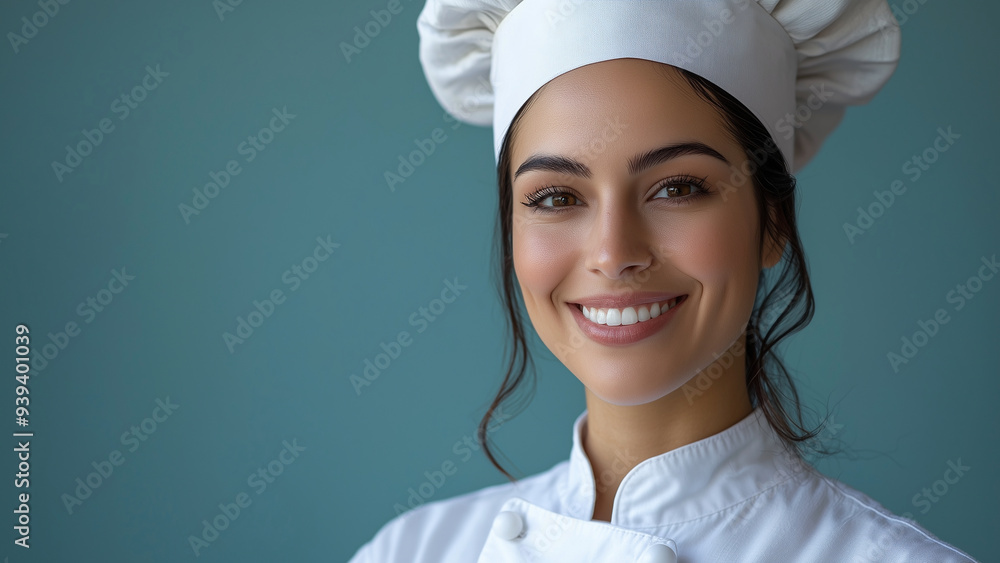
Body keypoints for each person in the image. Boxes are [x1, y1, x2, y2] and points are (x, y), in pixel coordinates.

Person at [349, 0, 980, 561]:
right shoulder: (410, 551)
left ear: (774, 221)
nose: (613, 253)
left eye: (678, 188)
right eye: (556, 197)